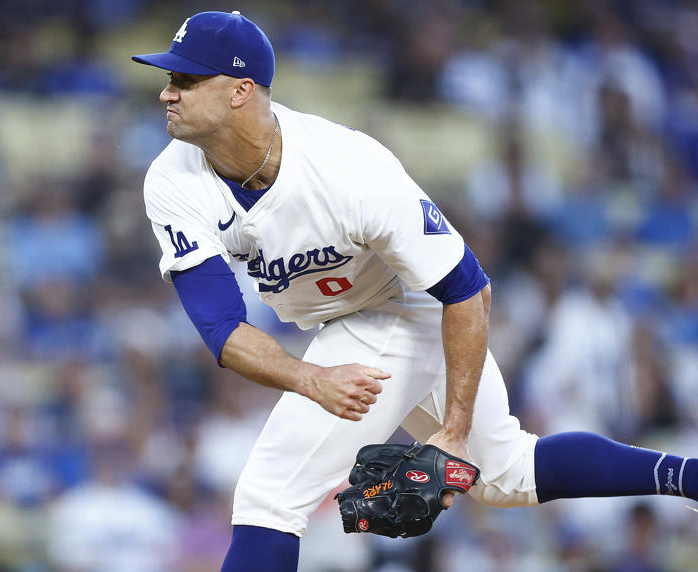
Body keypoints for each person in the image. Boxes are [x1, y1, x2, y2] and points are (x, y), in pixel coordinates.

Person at [131, 11, 698, 572]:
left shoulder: (349, 168)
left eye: (185, 80)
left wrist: (452, 433)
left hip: (404, 306)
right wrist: (312, 379)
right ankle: (689, 477)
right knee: (508, 475)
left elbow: (469, 291)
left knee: (270, 499)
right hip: (343, 320)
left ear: (240, 90)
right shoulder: (172, 179)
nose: (166, 94)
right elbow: (222, 331)